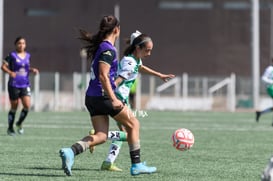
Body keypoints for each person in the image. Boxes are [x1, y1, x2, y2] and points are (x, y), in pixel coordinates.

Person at [59, 15, 157, 176]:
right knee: (134, 124)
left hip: (92, 97)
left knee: (101, 136)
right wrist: (113, 98)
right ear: (116, 30)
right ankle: (137, 165)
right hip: (103, 96)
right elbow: (104, 76)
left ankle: (71, 151)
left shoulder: (102, 47)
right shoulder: (108, 49)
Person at [94, 30, 175, 172]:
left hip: (122, 98)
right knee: (131, 130)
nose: (149, 53)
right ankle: (100, 136)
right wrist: (111, 97)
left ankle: (108, 161)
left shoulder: (134, 59)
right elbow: (117, 81)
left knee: (127, 131)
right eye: (148, 50)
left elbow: (141, 67)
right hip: (119, 98)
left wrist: (159, 75)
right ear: (138, 47)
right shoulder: (129, 62)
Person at [1, 36, 39, 136]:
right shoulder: (12, 55)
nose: (21, 45)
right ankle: (10, 128)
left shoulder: (28, 56)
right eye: (19, 43)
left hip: (25, 84)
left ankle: (19, 123)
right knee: (14, 107)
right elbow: (3, 66)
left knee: (27, 105)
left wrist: (32, 70)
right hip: (14, 84)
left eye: (23, 43)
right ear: (16, 44)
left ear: (25, 45)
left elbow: (25, 68)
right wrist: (10, 72)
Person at [256, 59, 273, 125]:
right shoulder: (270, 69)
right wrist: (271, 82)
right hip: (271, 87)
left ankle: (260, 113)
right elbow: (263, 78)